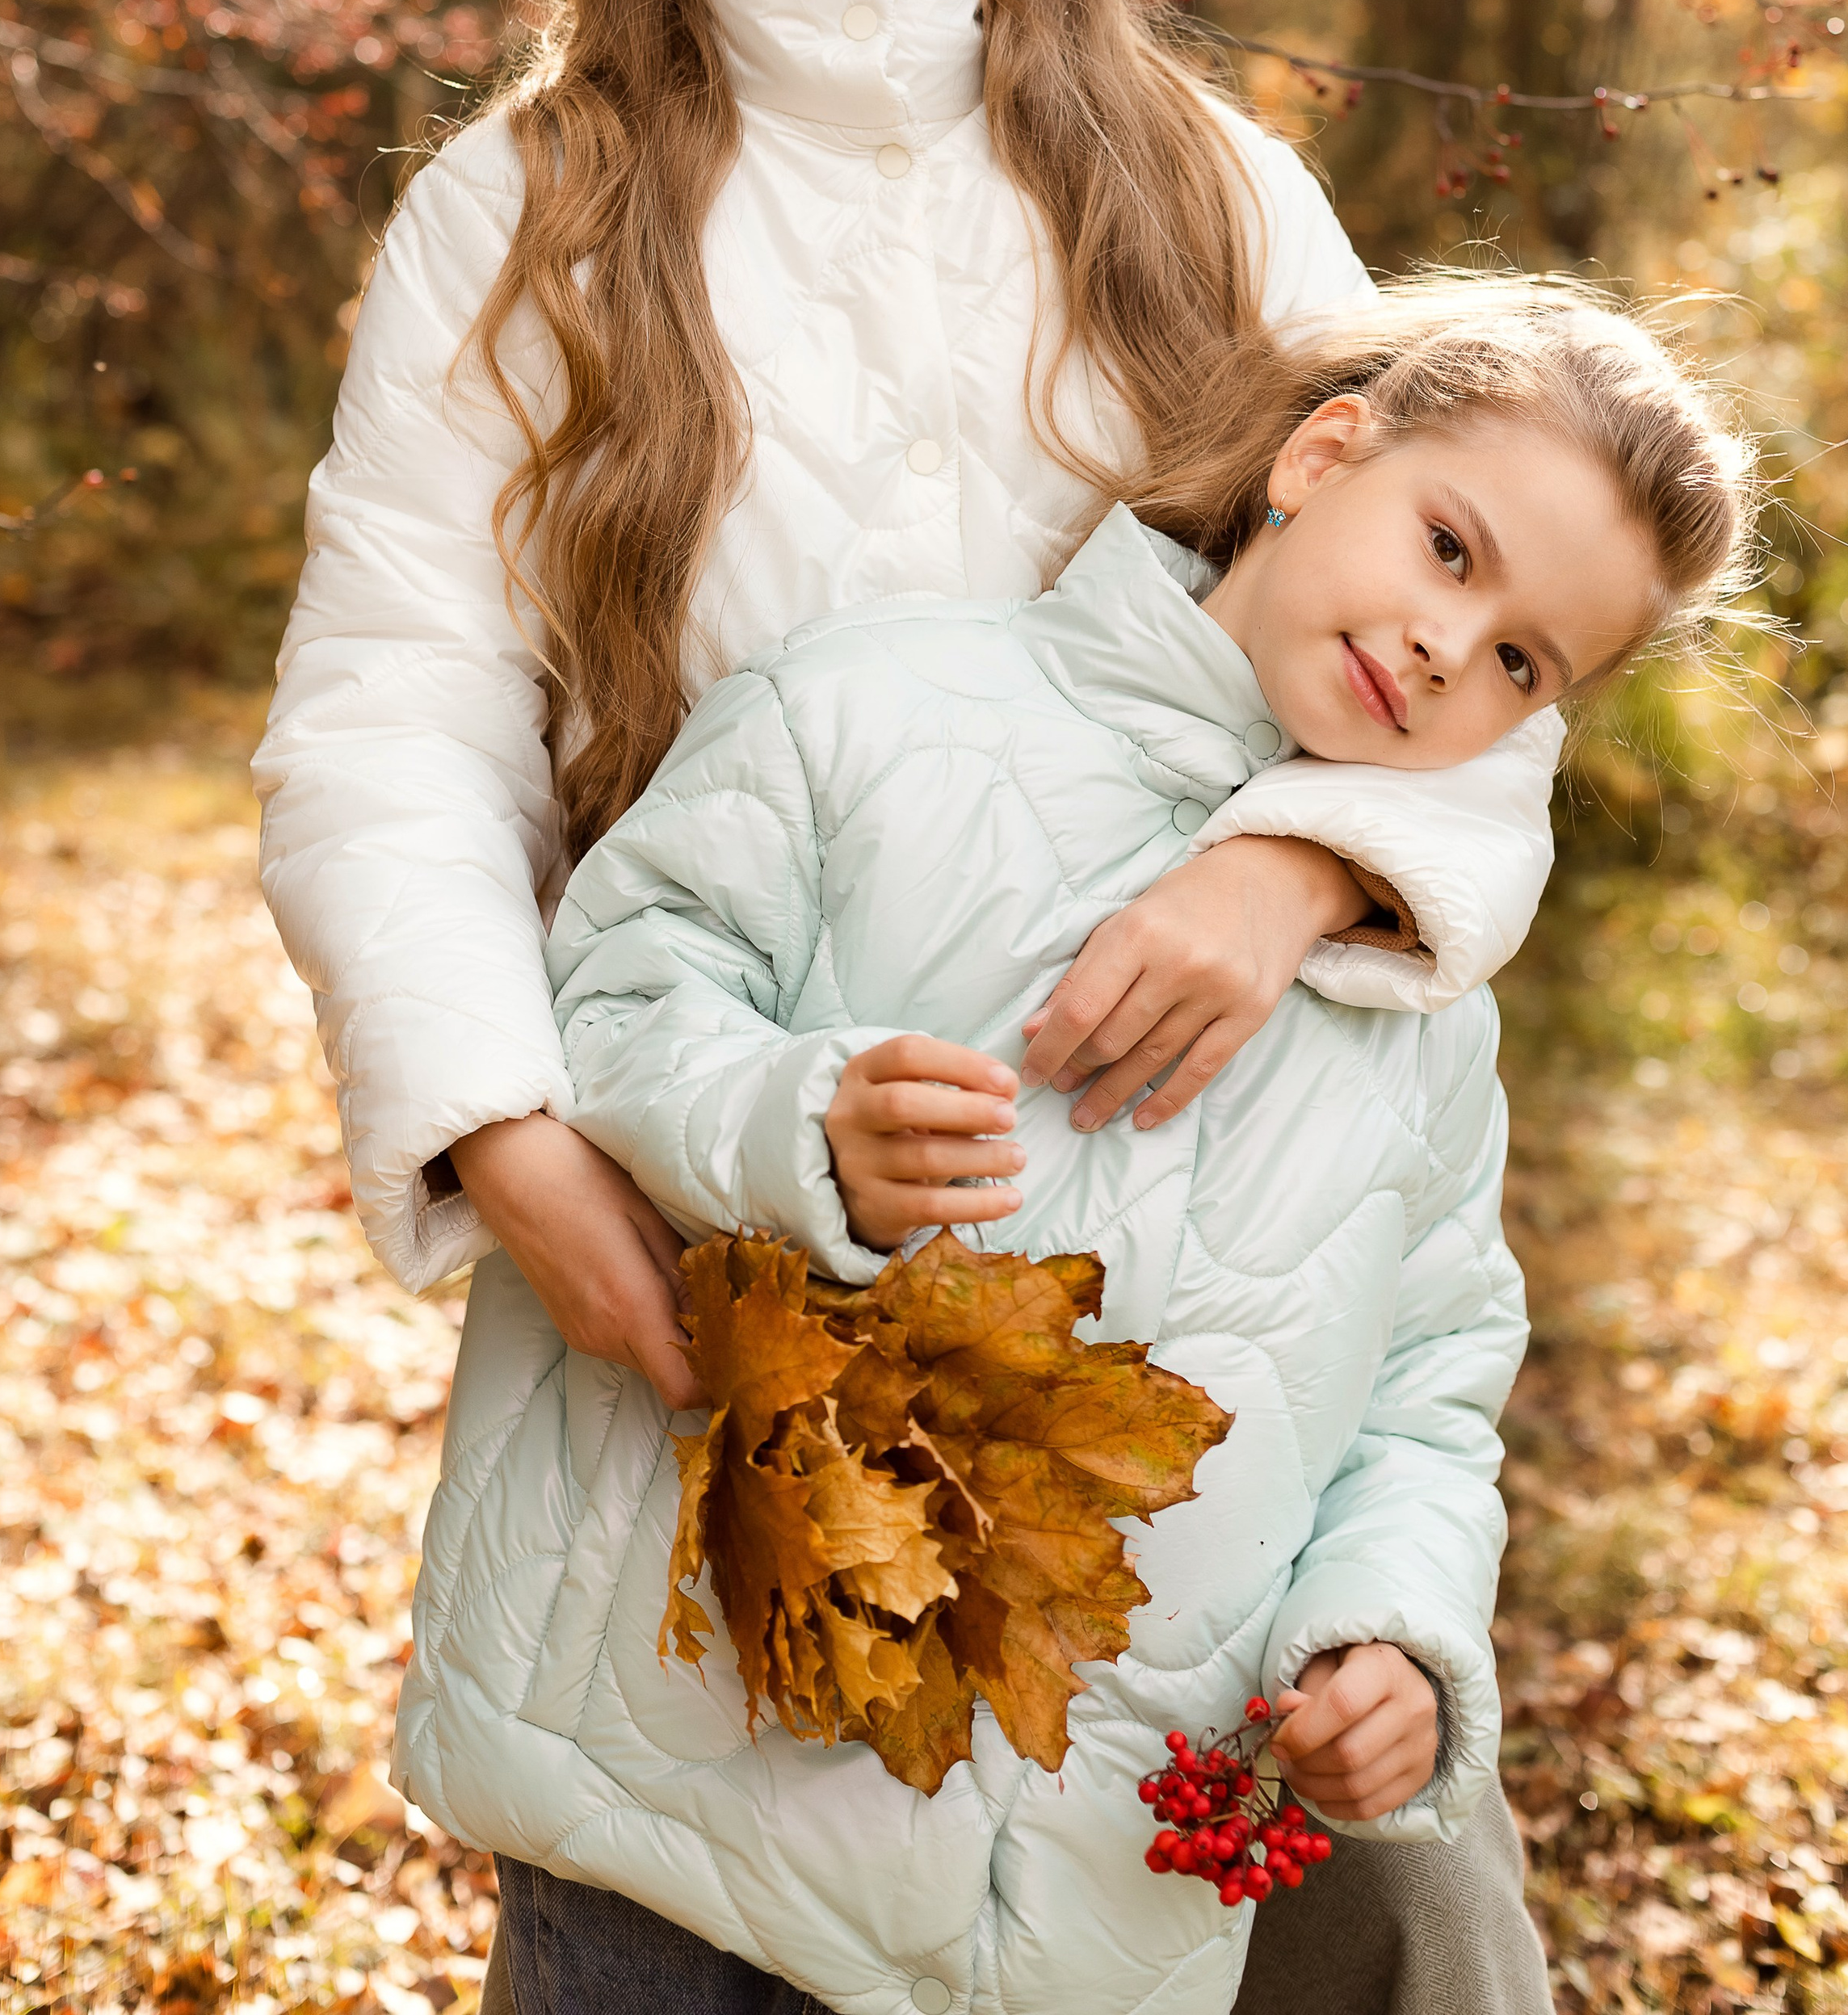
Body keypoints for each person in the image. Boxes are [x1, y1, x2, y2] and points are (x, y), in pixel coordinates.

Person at [253, 0, 1564, 2010]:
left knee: (1345, 1910)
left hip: (1202, 1239)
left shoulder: (1205, 192)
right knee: (696, 1869)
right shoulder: (520, 217)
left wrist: (1298, 865)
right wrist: (506, 1132)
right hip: (725, 1196)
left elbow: (1485, 610)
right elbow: (395, 711)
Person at [394, 279, 1758, 2015]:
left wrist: (1389, 1636)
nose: (1444, 645)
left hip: (1068, 1883)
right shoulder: (873, 707)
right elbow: (605, 1003)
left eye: (1518, 661)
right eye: (1446, 548)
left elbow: (1429, 1393)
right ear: (1320, 456)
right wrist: (799, 1125)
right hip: (678, 1767)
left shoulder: (1422, 1018)